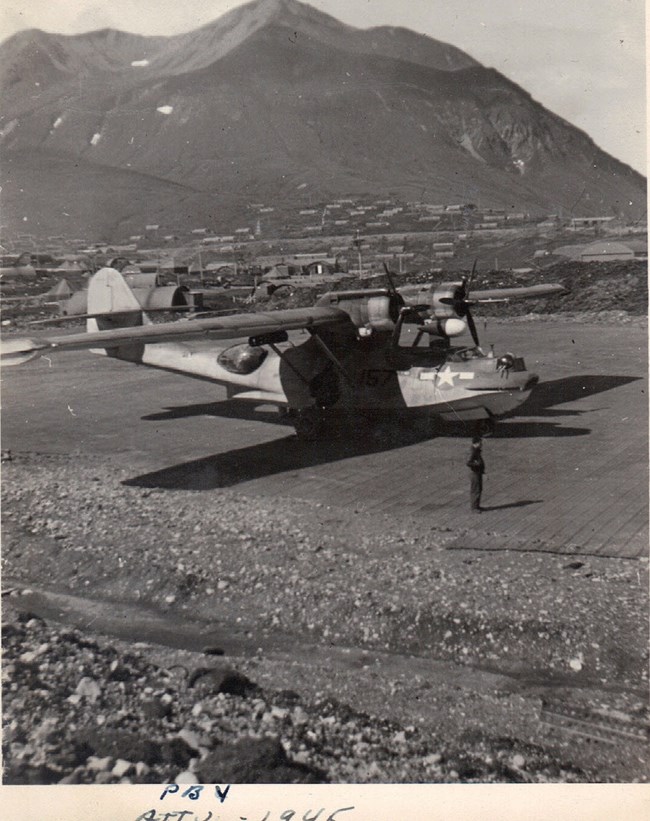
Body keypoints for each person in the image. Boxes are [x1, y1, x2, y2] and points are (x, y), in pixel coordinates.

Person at [467, 436, 485, 512]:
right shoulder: (473, 451)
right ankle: (474, 507)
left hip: (478, 472)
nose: (481, 444)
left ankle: (477, 506)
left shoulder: (476, 450)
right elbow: (468, 463)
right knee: (475, 489)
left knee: (479, 488)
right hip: (475, 473)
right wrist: (477, 464)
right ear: (476, 443)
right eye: (480, 443)